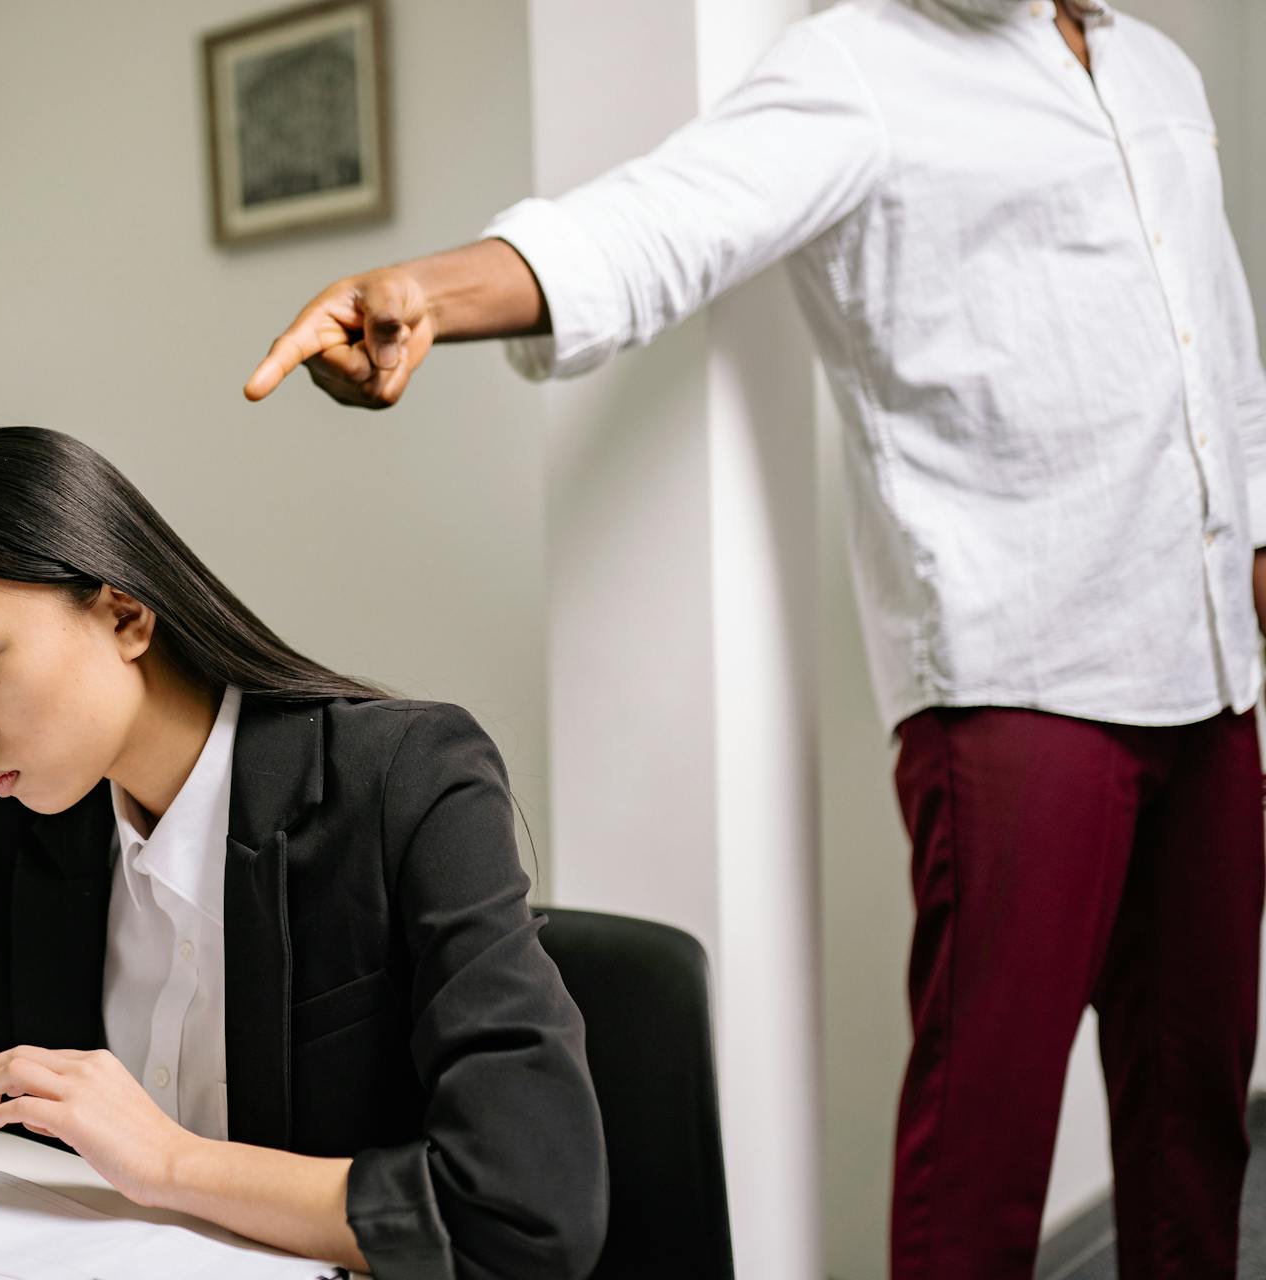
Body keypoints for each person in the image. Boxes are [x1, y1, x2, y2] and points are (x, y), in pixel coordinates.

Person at [243, 1, 1266, 1276]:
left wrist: (1255, 544)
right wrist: (427, 295)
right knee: (984, 1148)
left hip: (1215, 664)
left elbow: (1210, 331)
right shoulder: (859, 67)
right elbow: (658, 221)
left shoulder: (1150, 63)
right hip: (1019, 673)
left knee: (1198, 1118)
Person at [0, 426, 607, 1280]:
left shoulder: (403, 784)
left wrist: (169, 1164)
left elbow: (525, 1211)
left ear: (125, 613)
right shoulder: (39, 829)